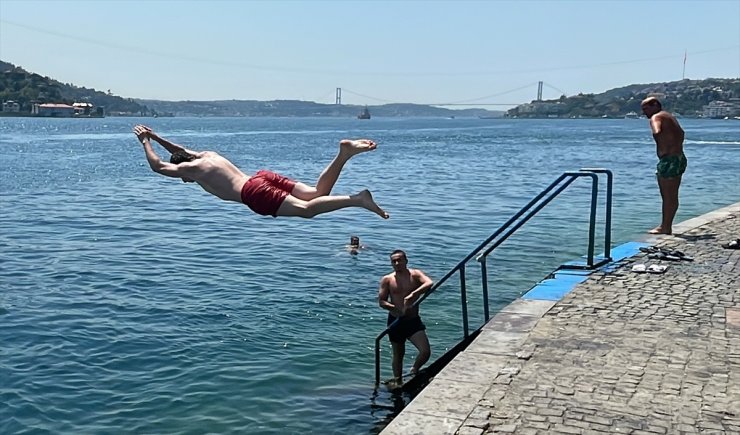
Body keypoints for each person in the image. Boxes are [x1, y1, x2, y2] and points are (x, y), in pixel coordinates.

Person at [132, 125, 389, 219]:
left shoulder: (194, 168)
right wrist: (156, 136)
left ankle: (358, 199)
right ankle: (343, 154)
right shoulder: (207, 155)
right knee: (317, 193)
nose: (186, 180)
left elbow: (159, 166)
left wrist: (145, 142)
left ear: (183, 167)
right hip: (260, 178)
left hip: (253, 192)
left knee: (308, 211)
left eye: (184, 178)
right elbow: (180, 148)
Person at [378, 249, 432, 385]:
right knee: (398, 355)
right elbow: (382, 301)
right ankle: (398, 381)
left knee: (425, 351)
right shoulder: (387, 279)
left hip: (412, 320)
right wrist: (394, 309)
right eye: (393, 261)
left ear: (406, 261)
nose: (397, 263)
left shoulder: (415, 275)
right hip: (395, 321)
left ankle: (414, 369)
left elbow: (429, 283)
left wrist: (413, 294)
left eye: (399, 260)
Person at [640, 97, 686, 235]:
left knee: (667, 196)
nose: (644, 113)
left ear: (655, 105)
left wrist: (661, 145)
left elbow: (657, 131)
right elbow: (682, 133)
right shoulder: (670, 117)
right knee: (673, 196)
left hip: (668, 160)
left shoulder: (656, 117)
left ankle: (665, 227)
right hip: (679, 158)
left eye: (646, 109)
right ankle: (667, 225)